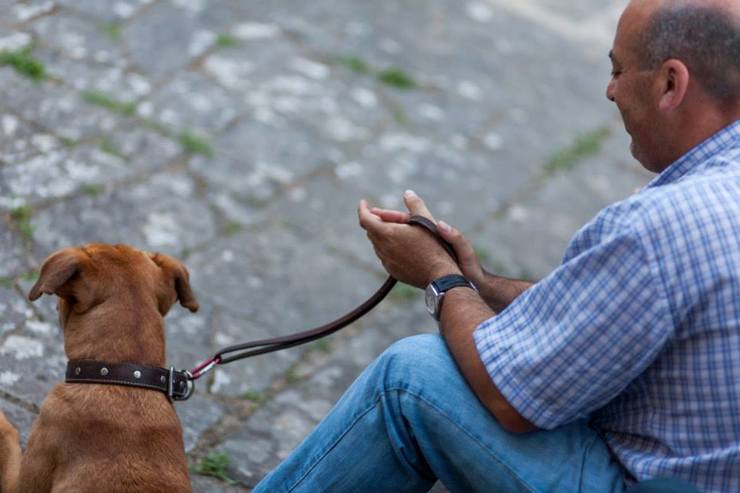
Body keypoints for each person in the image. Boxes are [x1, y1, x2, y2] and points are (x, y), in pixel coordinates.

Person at [254, 0, 739, 491]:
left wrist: (440, 279)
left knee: (412, 378)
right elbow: (599, 321)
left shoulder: (662, 226)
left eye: (618, 70)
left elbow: (510, 398)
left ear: (671, 84)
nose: (610, 91)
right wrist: (480, 284)